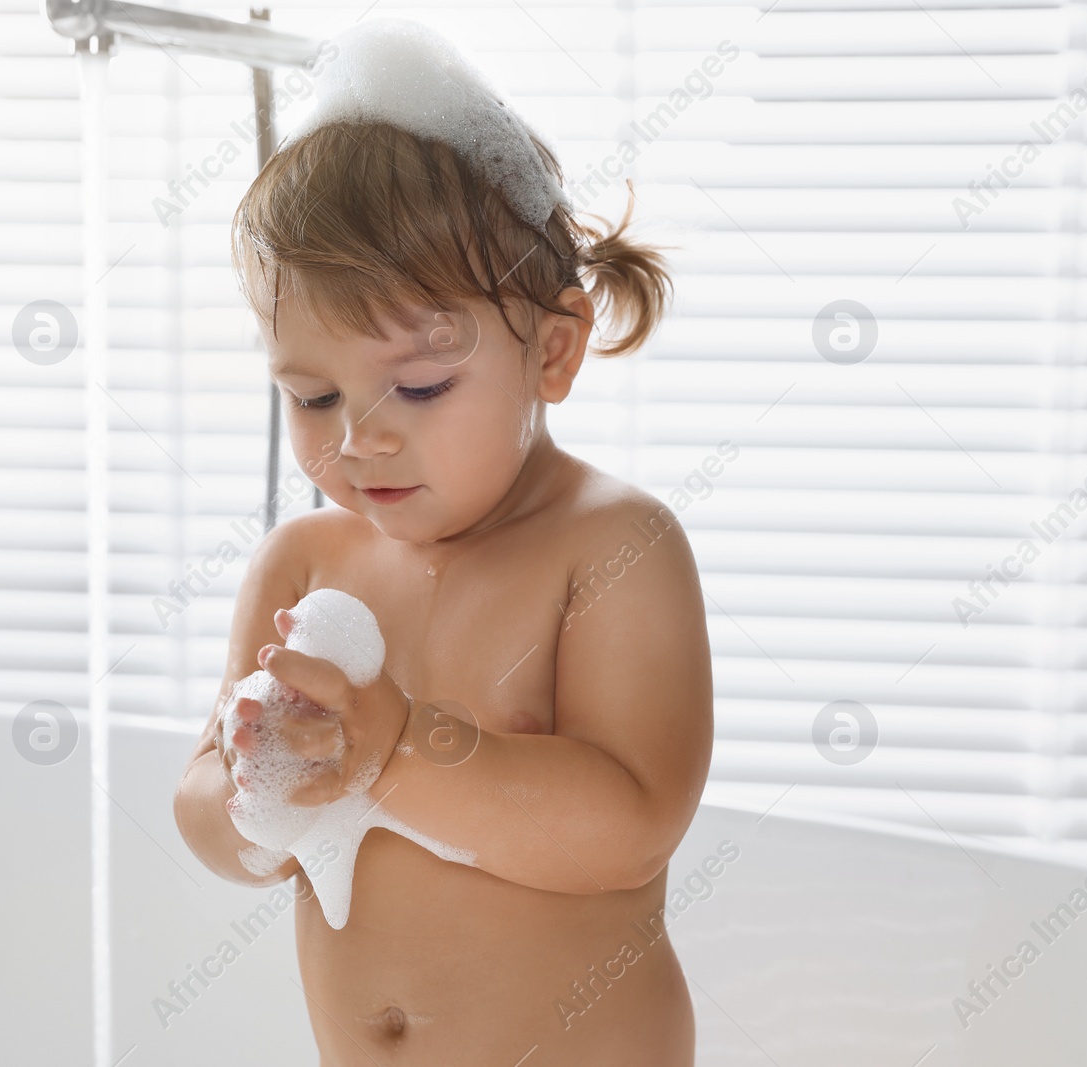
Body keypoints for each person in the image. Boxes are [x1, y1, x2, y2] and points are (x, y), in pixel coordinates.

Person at [172, 17, 714, 1066]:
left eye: (420, 386)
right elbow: (208, 805)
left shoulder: (610, 549)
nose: (359, 435)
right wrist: (255, 799)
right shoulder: (302, 564)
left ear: (552, 350)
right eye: (311, 393)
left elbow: (632, 820)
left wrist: (397, 750)